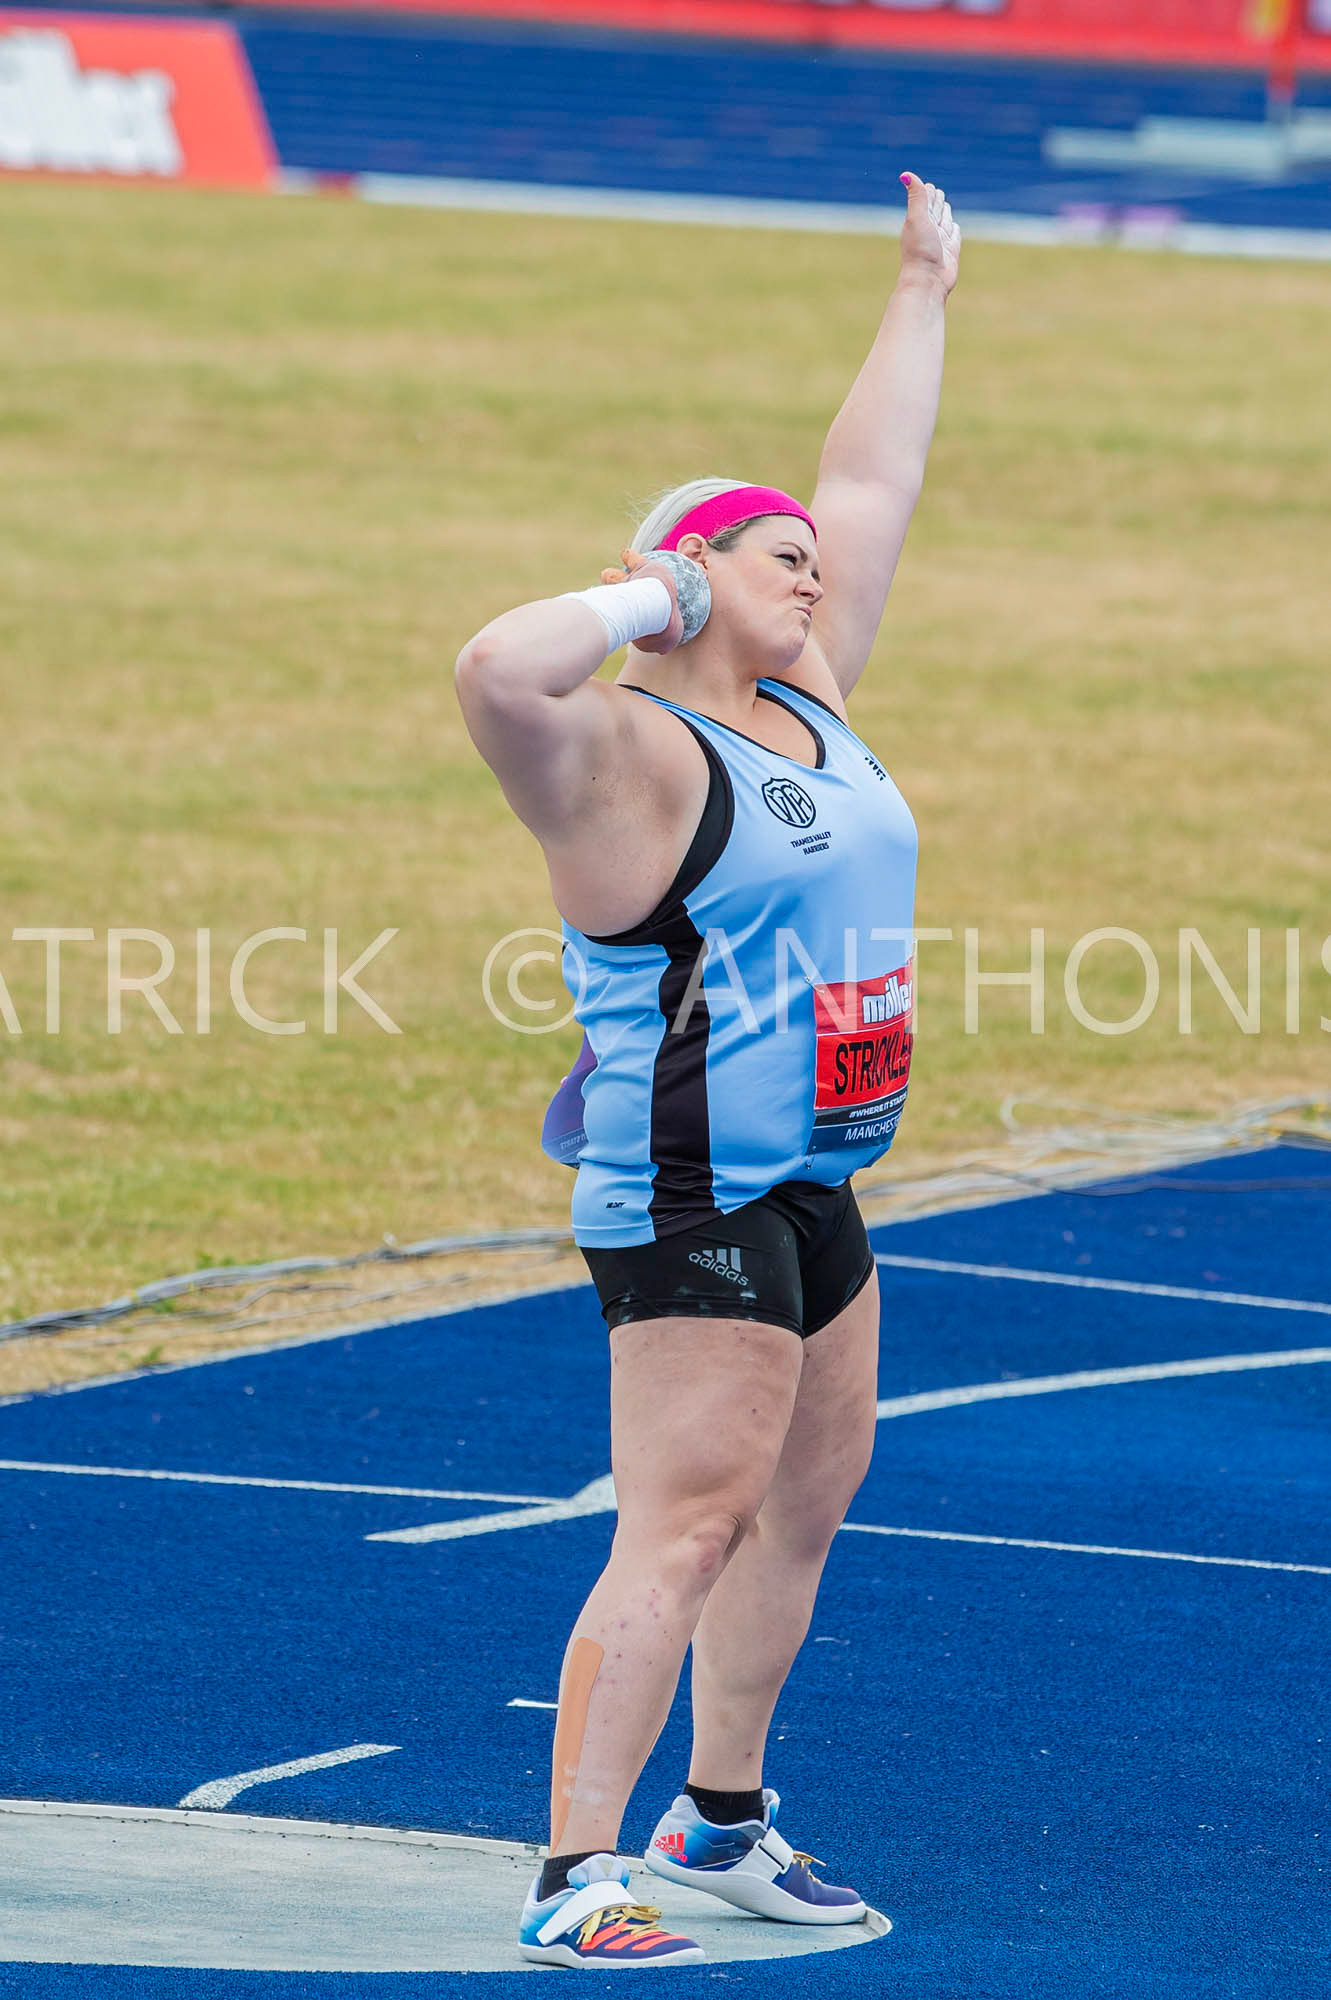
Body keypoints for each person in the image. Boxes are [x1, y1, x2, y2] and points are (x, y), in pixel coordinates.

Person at [455, 173, 961, 1970]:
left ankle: (720, 1821)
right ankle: (572, 1871)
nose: (813, 560)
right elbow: (496, 666)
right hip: (691, 1197)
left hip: (818, 1180)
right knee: (684, 1525)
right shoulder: (634, 766)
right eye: (772, 551)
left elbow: (878, 482)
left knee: (803, 1513)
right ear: (687, 584)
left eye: (808, 557)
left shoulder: (815, 705)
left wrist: (923, 286)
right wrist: (655, 579)